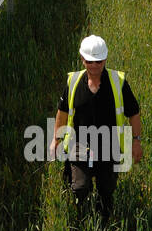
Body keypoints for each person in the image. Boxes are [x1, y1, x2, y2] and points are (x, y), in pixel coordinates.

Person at [49, 35, 143, 221]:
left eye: (98, 61)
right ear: (82, 59)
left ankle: (104, 222)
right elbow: (62, 112)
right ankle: (81, 221)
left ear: (105, 59)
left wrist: (136, 142)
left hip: (109, 146)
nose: (94, 65)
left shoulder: (118, 82)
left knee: (106, 190)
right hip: (79, 145)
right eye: (90, 61)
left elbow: (134, 113)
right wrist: (56, 139)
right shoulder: (73, 82)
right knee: (80, 188)